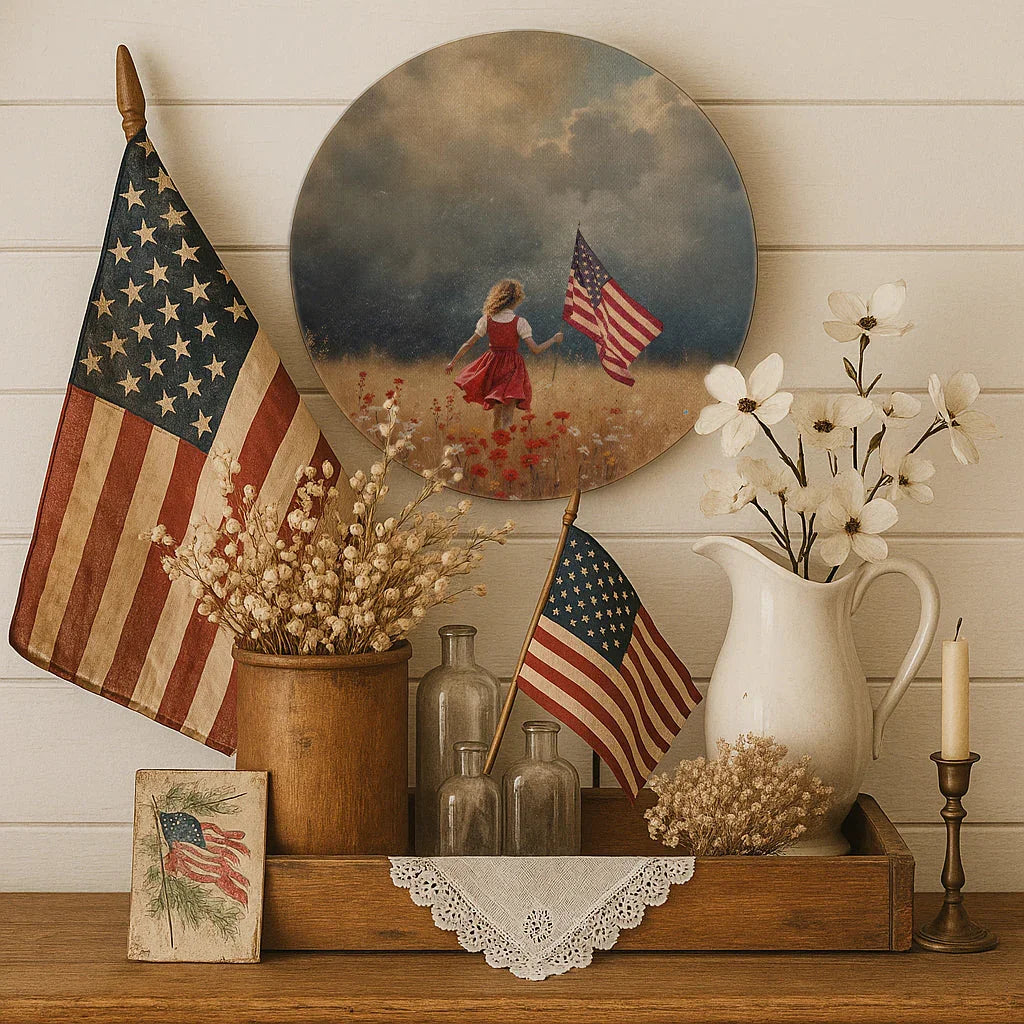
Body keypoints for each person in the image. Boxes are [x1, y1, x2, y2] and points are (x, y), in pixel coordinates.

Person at [446, 278, 562, 430]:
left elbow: (469, 343)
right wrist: (553, 339)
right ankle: (504, 446)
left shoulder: (486, 320)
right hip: (512, 369)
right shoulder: (520, 322)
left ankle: (498, 445)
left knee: (497, 414)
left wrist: (453, 361)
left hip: (492, 366)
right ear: (515, 299)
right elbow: (536, 349)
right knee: (507, 415)